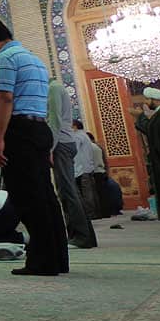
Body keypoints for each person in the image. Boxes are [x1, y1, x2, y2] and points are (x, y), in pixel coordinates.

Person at [0, 18, 67, 275]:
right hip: (39, 129)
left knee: (26, 198)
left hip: (19, 131)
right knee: (46, 197)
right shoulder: (35, 59)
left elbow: (5, 97)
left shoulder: (5, 59)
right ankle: (57, 258)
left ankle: (42, 262)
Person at [47, 79, 97, 249]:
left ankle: (81, 237)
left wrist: (50, 148)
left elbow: (55, 121)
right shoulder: (55, 88)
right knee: (68, 190)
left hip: (60, 143)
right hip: (63, 143)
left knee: (68, 191)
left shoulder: (53, 89)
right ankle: (83, 236)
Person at [131, 87, 160, 220]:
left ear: (155, 100)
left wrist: (140, 117)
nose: (145, 102)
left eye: (147, 99)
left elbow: (153, 133)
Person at [71, 119, 98, 220]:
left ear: (74, 126)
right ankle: (94, 213)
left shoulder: (77, 136)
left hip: (82, 168)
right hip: (88, 167)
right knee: (90, 191)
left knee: (87, 193)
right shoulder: (85, 135)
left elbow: (74, 150)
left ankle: (89, 214)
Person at [87, 132, 110, 219]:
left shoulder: (90, 147)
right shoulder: (98, 147)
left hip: (96, 172)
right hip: (102, 171)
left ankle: (100, 213)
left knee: (98, 195)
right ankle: (106, 212)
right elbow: (105, 161)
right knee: (103, 194)